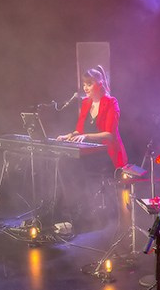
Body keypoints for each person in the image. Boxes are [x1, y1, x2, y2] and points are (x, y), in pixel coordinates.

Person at [55, 65, 128, 230]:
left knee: (73, 166)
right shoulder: (86, 103)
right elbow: (79, 130)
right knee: (63, 163)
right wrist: (69, 135)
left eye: (89, 83)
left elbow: (109, 134)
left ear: (100, 83)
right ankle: (75, 211)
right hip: (90, 153)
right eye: (84, 84)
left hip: (107, 154)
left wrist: (86, 136)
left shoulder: (111, 102)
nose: (85, 88)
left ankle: (84, 212)